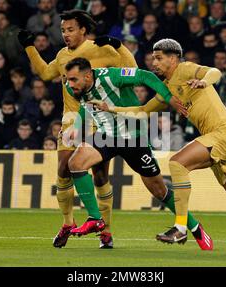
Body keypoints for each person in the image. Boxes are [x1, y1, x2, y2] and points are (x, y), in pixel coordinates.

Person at [100, 39, 226, 252]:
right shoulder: (167, 86)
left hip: (223, 133)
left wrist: (205, 81)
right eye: (152, 58)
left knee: (178, 163)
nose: (153, 62)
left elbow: (214, 72)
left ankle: (181, 227)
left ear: (173, 58)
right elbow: (143, 110)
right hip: (218, 138)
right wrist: (109, 108)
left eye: (159, 58)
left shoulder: (185, 70)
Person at [63, 57, 212, 250]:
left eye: (74, 79)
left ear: (88, 75)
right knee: (76, 163)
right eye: (68, 79)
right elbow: (86, 104)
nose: (69, 83)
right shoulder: (73, 87)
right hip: (106, 136)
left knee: (159, 189)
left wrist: (170, 99)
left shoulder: (112, 76)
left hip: (134, 137)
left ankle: (194, 226)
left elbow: (145, 76)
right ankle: (95, 219)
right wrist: (77, 127)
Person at [17, 9, 138, 249]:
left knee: (100, 175)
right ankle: (67, 223)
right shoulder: (62, 55)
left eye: (70, 29)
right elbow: (45, 72)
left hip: (100, 119)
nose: (66, 34)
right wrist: (30, 47)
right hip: (72, 120)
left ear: (83, 30)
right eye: (63, 30)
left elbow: (132, 69)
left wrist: (118, 45)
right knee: (63, 170)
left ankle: (106, 231)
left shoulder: (101, 49)